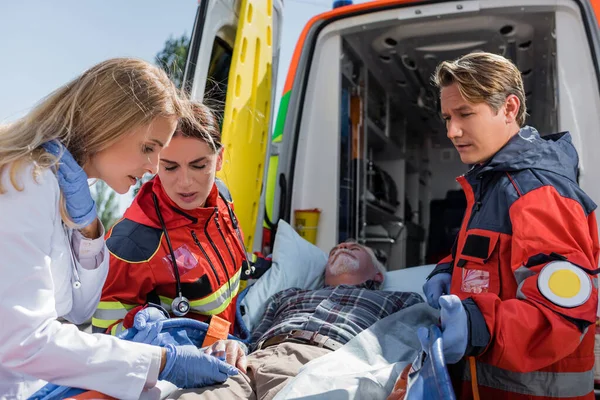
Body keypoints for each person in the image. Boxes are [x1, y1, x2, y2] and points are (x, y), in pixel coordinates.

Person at [0, 58, 238, 400]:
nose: (153, 167)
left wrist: (90, 231)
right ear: (108, 123)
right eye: (149, 148)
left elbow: (77, 310)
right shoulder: (26, 181)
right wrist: (160, 360)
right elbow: (23, 343)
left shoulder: (63, 190)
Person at [422, 52, 599, 399]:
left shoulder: (536, 191)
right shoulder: (493, 183)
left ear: (509, 108)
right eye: (447, 118)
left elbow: (561, 315)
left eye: (465, 114)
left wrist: (478, 325)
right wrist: (447, 270)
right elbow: (487, 258)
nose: (452, 131)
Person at [166, 240, 424, 400]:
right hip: (255, 361)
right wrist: (236, 346)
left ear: (378, 275)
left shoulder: (401, 300)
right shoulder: (288, 295)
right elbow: (254, 338)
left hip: (324, 364)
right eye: (336, 250)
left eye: (353, 247)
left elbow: (414, 345)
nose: (343, 247)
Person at [92, 102, 250, 337]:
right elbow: (104, 336)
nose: (185, 182)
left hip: (234, 340)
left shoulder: (221, 197)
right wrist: (169, 345)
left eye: (199, 166)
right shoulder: (132, 243)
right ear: (155, 163)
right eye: (170, 167)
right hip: (188, 366)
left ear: (219, 159)